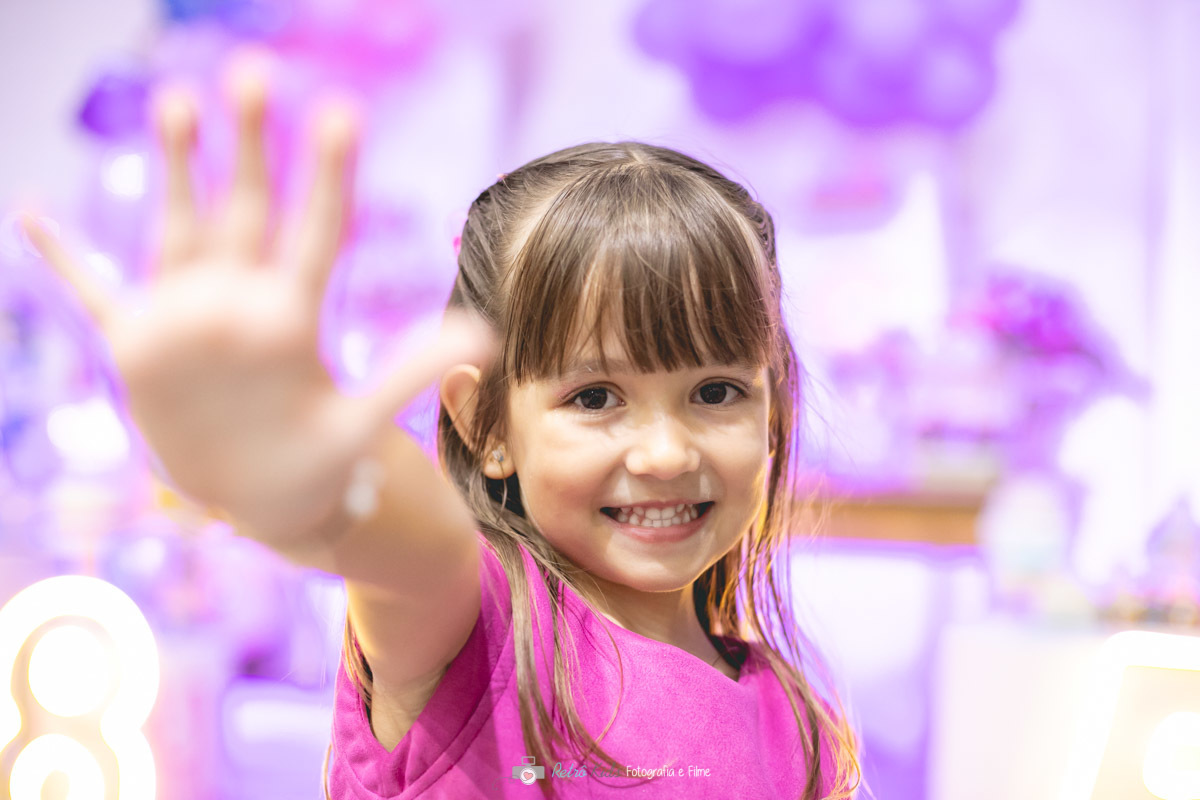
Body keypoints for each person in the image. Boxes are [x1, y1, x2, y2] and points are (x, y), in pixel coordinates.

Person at [23, 56, 861, 799]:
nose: (667, 452)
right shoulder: (471, 624)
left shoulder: (798, 722)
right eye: (596, 398)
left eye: (716, 391)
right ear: (483, 421)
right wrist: (316, 483)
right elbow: (405, 543)